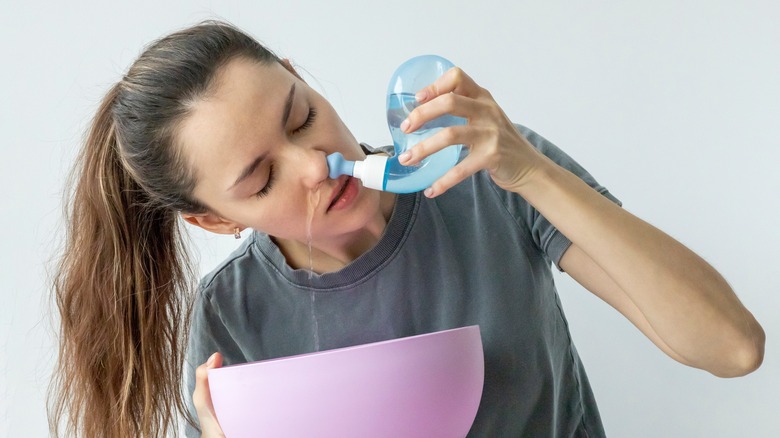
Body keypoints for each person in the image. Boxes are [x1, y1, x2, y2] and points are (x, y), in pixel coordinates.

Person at [50, 21, 765, 437]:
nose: (315, 164)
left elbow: (731, 347)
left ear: (303, 77)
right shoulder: (236, 318)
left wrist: (531, 172)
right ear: (213, 218)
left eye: (301, 115)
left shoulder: (485, 179)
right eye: (261, 179)